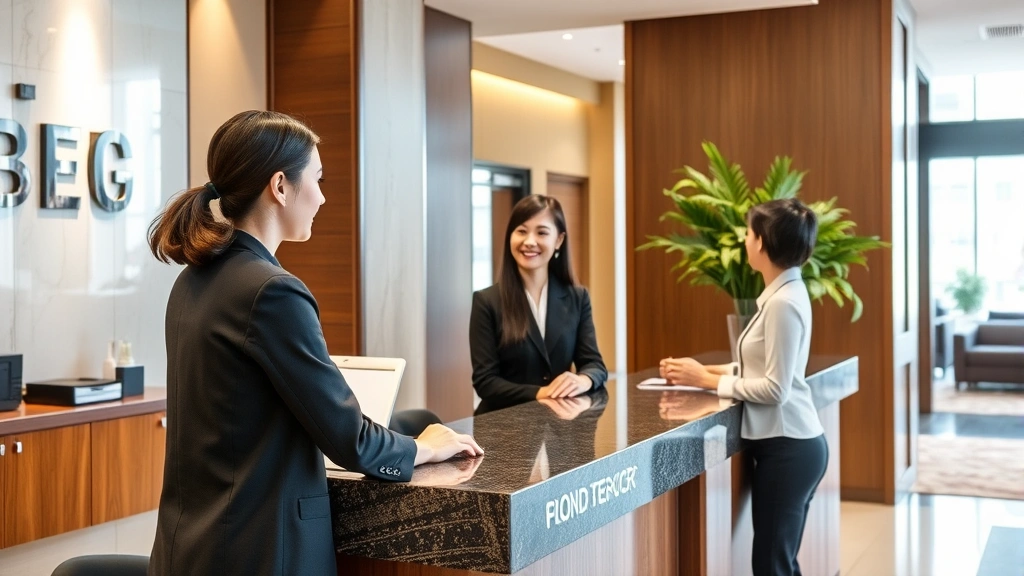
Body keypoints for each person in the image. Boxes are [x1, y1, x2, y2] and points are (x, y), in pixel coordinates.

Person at [146, 110, 482, 576]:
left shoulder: (193, 280)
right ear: (280, 186)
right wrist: (423, 447)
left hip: (190, 549)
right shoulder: (272, 291)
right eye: (318, 180)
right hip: (258, 552)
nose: (322, 197)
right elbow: (350, 439)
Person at [659, 198, 826, 576]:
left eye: (749, 234)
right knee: (778, 564)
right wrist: (698, 371)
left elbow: (775, 388)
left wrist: (707, 380)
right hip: (792, 446)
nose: (745, 241)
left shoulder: (783, 302)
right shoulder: (783, 295)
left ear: (763, 242)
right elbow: (760, 366)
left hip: (789, 448)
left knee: (771, 566)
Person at [469, 194, 607, 414]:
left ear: (559, 240)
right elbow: (486, 382)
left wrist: (584, 380)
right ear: (510, 237)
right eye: (521, 231)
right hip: (503, 427)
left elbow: (595, 365)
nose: (529, 241)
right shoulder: (486, 301)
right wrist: (541, 393)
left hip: (561, 430)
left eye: (541, 232)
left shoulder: (577, 298)